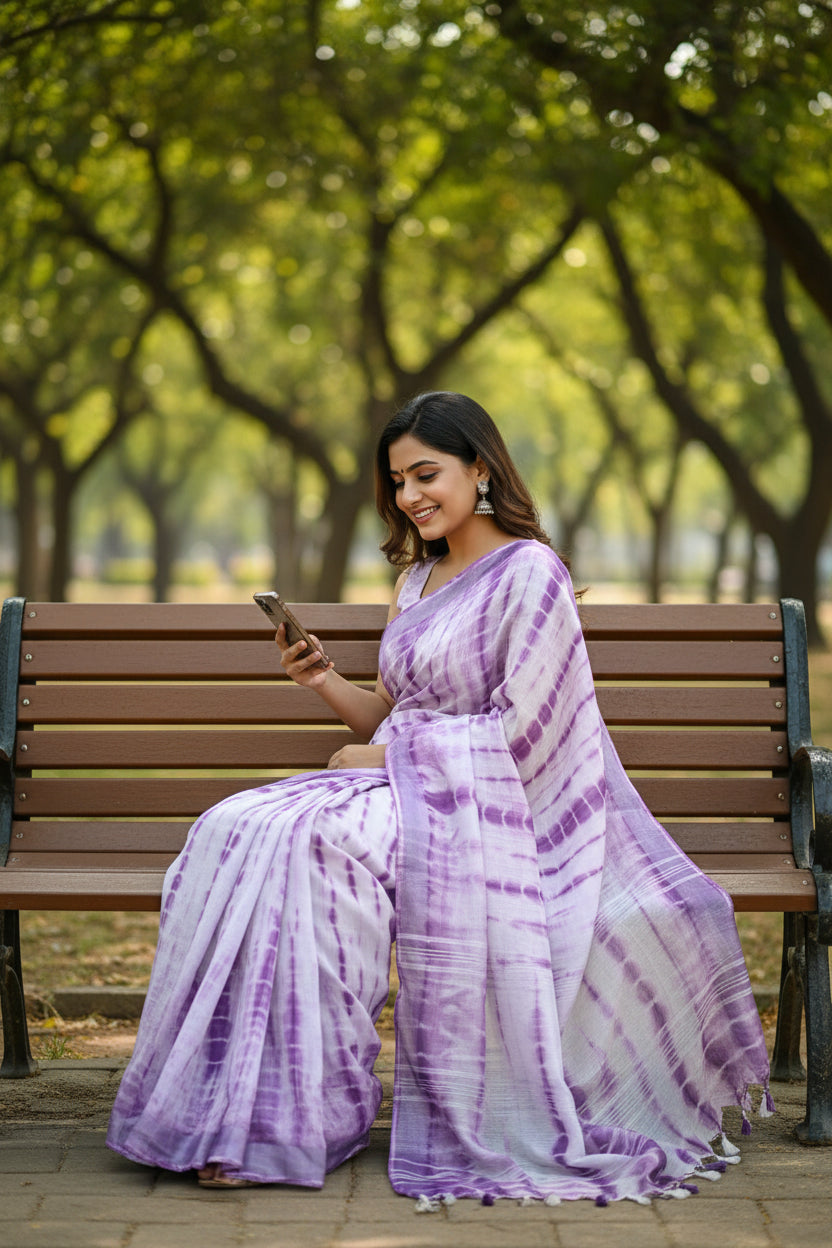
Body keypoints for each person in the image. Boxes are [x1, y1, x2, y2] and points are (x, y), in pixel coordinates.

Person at [107, 391, 771, 1204]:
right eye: (397, 481)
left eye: (428, 474)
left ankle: (297, 1120)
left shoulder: (532, 574)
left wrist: (385, 756)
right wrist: (324, 682)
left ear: (480, 469)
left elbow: (530, 733)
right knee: (235, 828)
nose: (411, 496)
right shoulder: (416, 579)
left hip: (484, 812)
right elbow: (395, 712)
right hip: (404, 785)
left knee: (311, 847)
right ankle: (233, 1108)